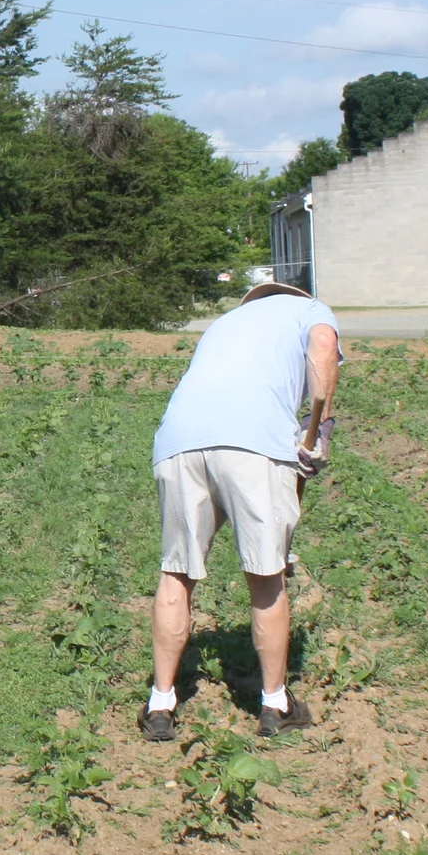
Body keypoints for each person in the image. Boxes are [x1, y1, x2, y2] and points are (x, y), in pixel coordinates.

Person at [143, 281, 341, 741]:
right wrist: (319, 430)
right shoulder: (310, 310)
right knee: (267, 575)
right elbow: (323, 345)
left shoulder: (225, 323)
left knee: (177, 572)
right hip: (254, 444)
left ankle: (160, 705)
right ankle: (275, 704)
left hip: (178, 442)